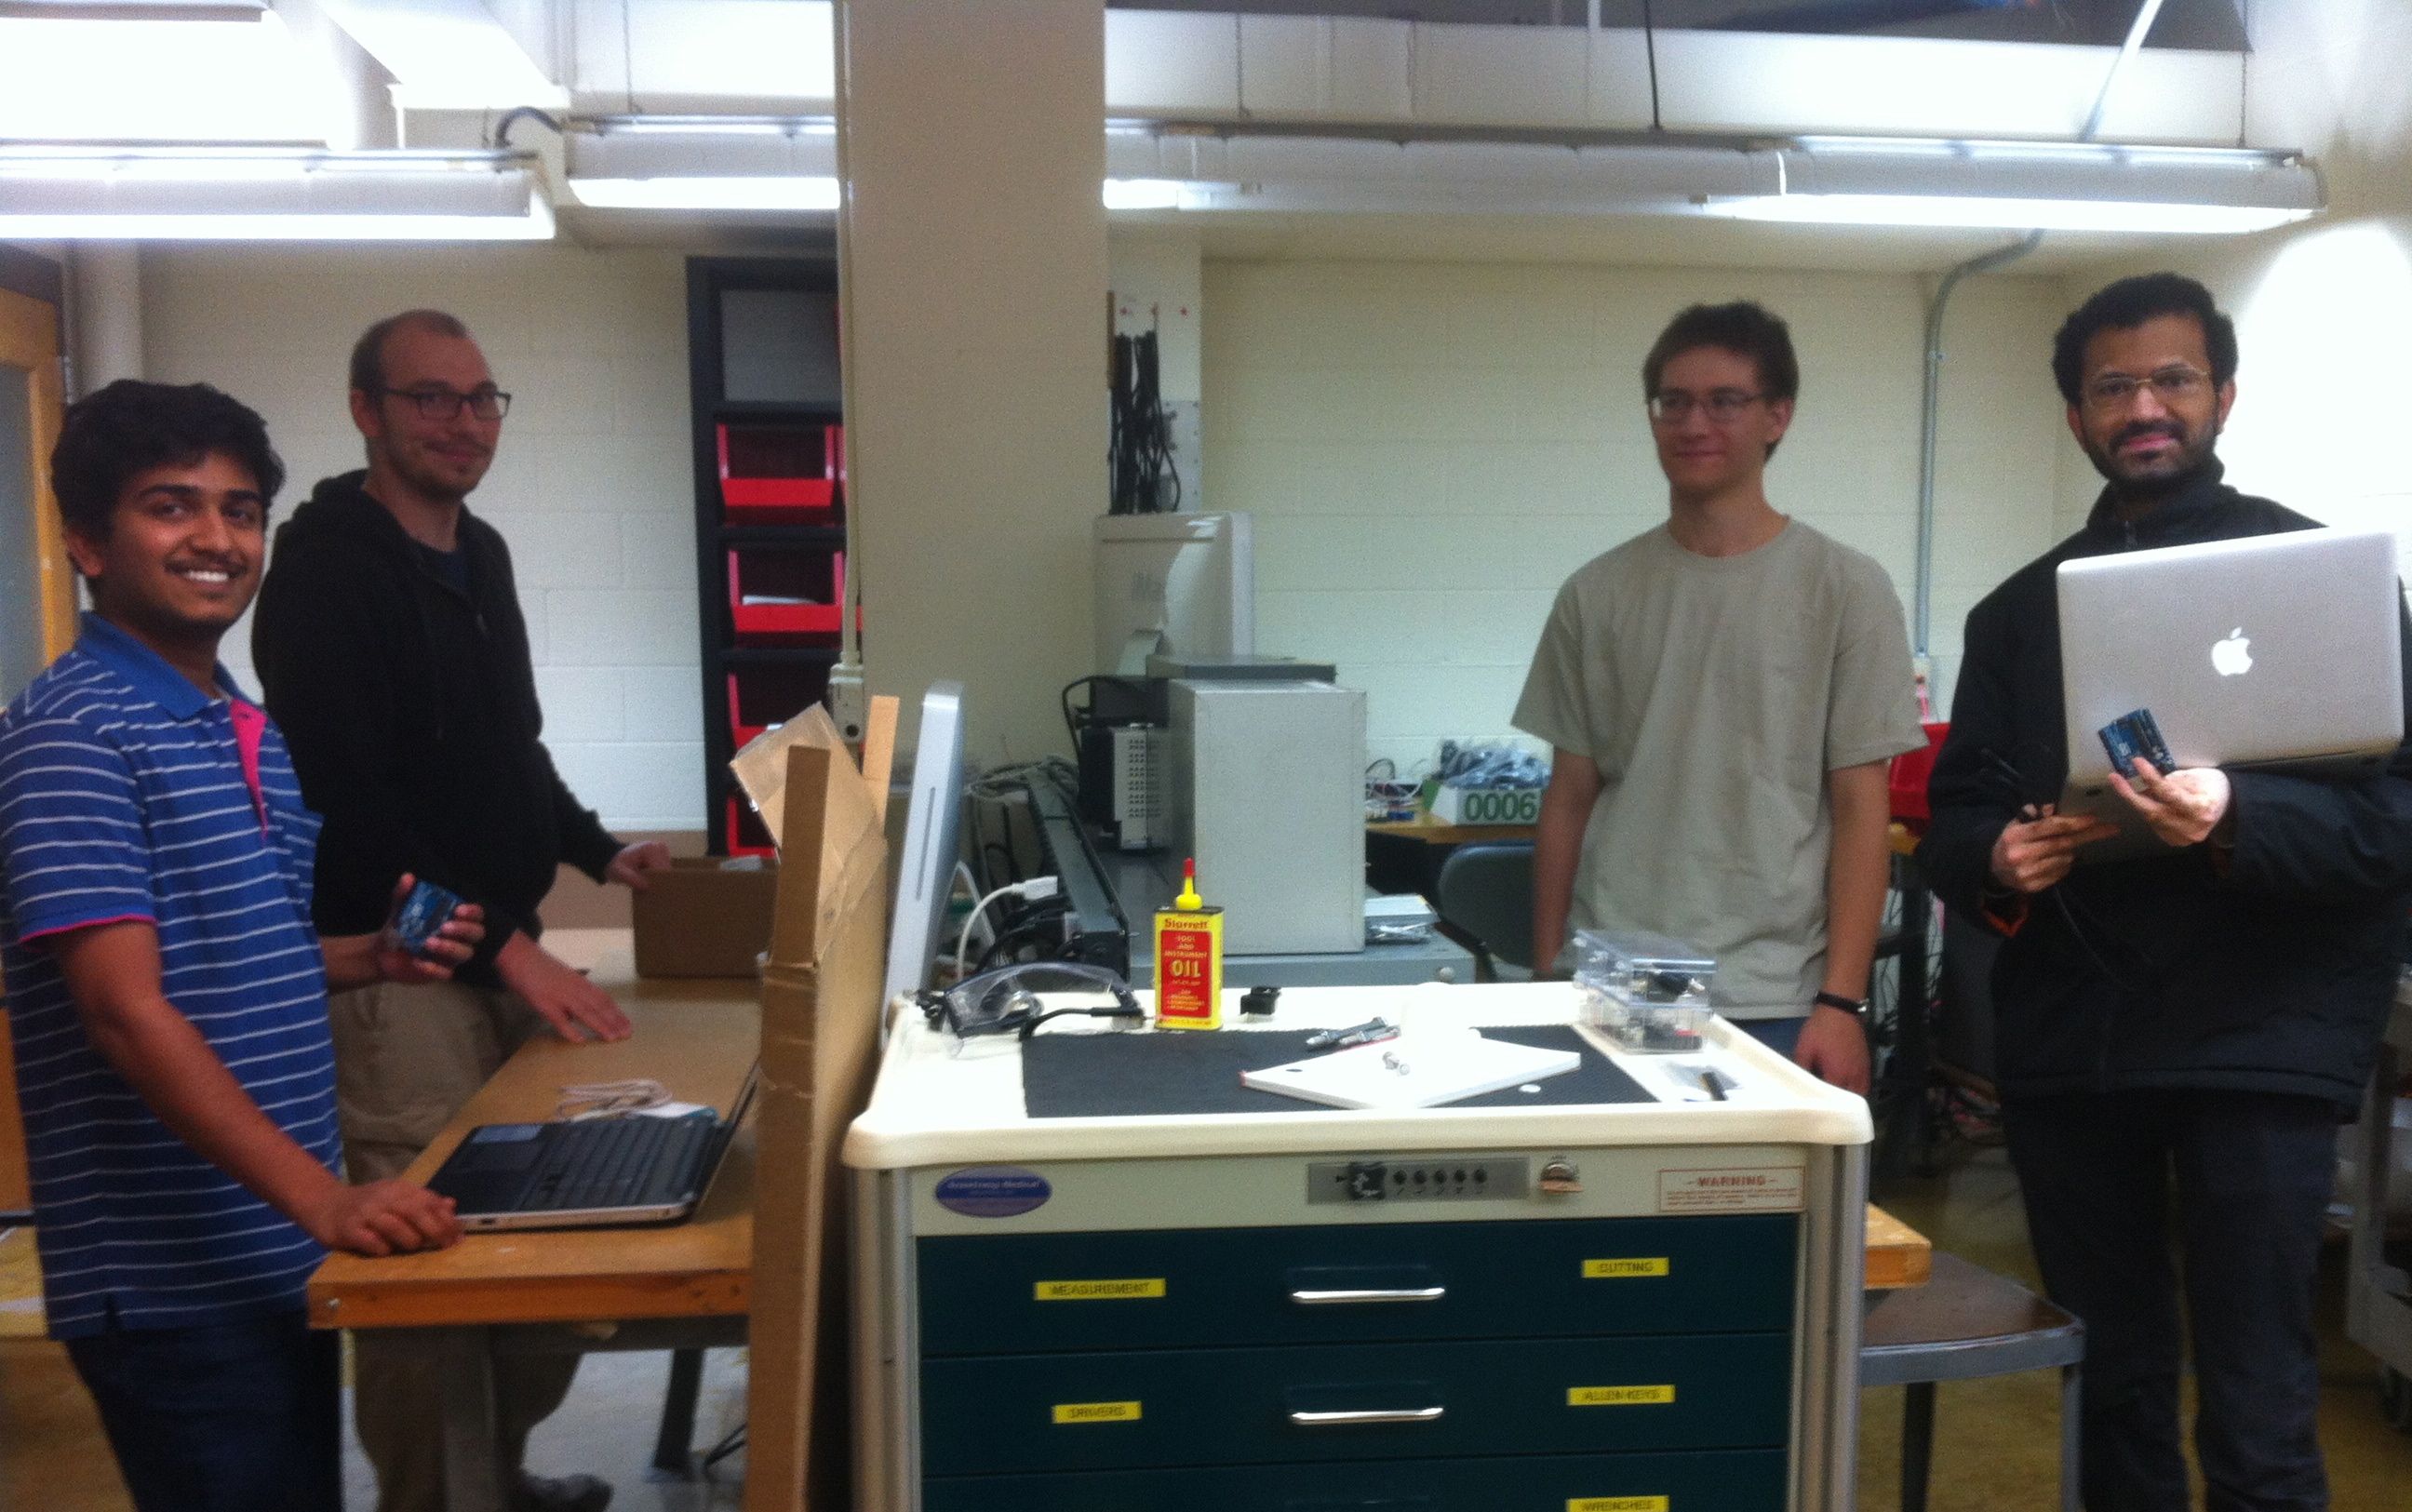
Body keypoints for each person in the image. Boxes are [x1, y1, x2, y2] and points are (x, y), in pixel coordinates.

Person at [1919, 271, 2412, 1511]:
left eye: (2174, 378)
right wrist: (1997, 857)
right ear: (2075, 415)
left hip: (2264, 1037)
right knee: (2113, 1382)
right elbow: (1955, 818)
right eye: (2114, 386)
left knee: (2259, 1394)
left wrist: (2239, 814)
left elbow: (2394, 821)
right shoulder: (2016, 615)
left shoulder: (2329, 580)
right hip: (2079, 1042)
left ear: (2223, 395)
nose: (2145, 406)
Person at [0, 379, 476, 1512]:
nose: (217, 537)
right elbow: (123, 1010)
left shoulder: (235, 718)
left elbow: (218, 954)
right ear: (87, 542)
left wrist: (365, 958)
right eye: (172, 506)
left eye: (241, 509)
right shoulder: (73, 734)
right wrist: (327, 1199)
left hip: (266, 1246)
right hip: (173, 1277)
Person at [251, 311, 671, 1512]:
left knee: (547, 1245)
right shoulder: (325, 574)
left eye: (482, 398)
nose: (463, 422)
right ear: (366, 410)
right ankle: (433, 1499)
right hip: (405, 977)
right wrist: (511, 948)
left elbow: (510, 745)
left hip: (500, 953)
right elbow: (351, 807)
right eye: (431, 397)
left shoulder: (478, 552)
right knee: (430, 1273)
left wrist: (594, 847)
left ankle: (494, 1473)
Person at [1513, 300, 1925, 1092]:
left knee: (1760, 1180)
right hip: (1614, 983)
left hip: (1776, 994)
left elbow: (1860, 808)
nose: (1693, 423)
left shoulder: (1846, 588)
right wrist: (1544, 973)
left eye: (1724, 401)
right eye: (1673, 402)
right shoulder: (1595, 593)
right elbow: (1568, 796)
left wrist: (1841, 1002)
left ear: (1777, 416)